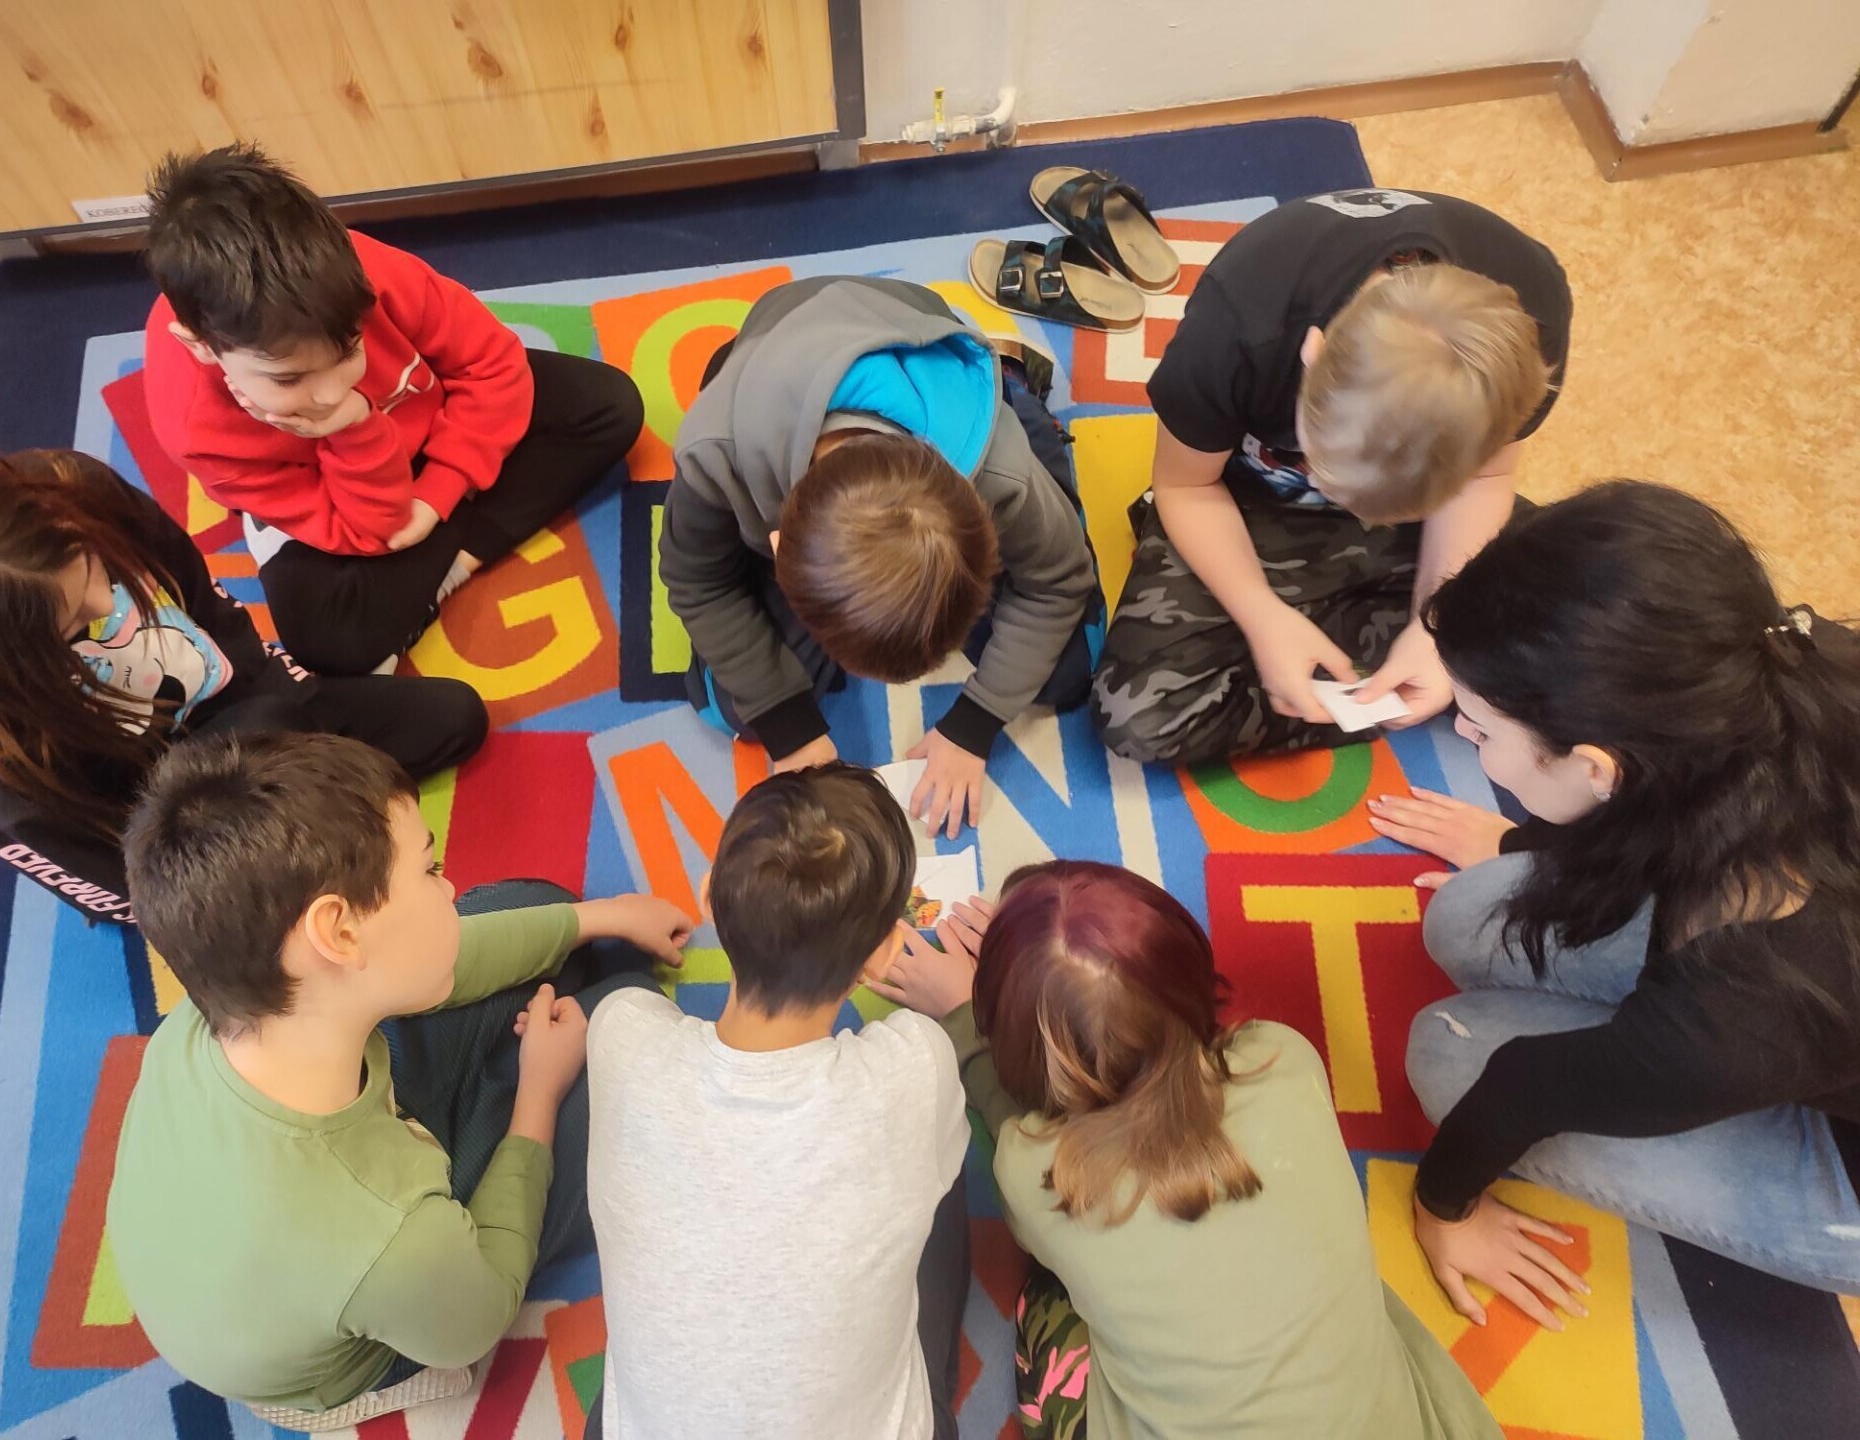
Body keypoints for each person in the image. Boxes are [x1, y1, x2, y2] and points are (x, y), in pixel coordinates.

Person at [1364, 480, 1860, 1316]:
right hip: (1795, 1013)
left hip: (1835, 1148)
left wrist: (1444, 1209)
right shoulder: (1781, 670)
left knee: (1450, 1055)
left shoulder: (1743, 1009)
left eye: (1480, 729)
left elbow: (1525, 1087)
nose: (1466, 736)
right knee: (1465, 917)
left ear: (1599, 769)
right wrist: (1517, 842)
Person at [106, 731, 692, 1428]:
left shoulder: (219, 1007)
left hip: (301, 1210)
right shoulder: (390, 1239)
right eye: (430, 869)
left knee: (550, 917)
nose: (449, 886)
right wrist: (540, 1090)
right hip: (374, 1292)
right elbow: (482, 1310)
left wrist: (599, 917)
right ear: (339, 933)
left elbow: (433, 961)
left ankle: (502, 1064)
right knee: (631, 1024)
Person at [872, 859, 1503, 1440]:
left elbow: (1026, 1129)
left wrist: (967, 1017)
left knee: (1050, 1296)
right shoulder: (1284, 1056)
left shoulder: (1037, 1171)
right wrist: (1041, 982)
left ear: (1024, 1056)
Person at [1092, 188, 1571, 765]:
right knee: (1140, 717)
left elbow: (1485, 483)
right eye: (1321, 466)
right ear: (1312, 352)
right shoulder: (1241, 320)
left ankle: (1373, 633)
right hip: (1254, 504)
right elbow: (1186, 486)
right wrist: (1261, 614)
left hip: (1437, 522)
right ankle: (1370, 638)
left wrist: (1435, 624)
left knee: (1599, 621)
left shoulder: (1526, 329)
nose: (1359, 517)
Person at [140, 142, 644, 677]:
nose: (331, 392)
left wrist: (440, 490)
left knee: (609, 406)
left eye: (349, 350)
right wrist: (353, 427)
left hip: (432, 429)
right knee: (328, 643)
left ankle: (448, 567)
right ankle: (458, 534)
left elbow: (492, 361)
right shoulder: (195, 428)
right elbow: (368, 531)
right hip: (341, 497)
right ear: (201, 346)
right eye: (288, 378)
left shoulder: (361, 270)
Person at [585, 762, 971, 1439]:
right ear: (883, 954)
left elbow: (631, 1011)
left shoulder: (619, 1034)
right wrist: (968, 1005)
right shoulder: (918, 1066)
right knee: (937, 1166)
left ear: (708, 895)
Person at [0, 448, 487, 923]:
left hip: (245, 711)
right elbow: (131, 886)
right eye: (74, 625)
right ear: (1, 662)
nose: (108, 604)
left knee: (453, 719)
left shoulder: (71, 487)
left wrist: (283, 707)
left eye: (93, 567)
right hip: (169, 827)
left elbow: (203, 599)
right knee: (350, 888)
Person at [660, 275, 1101, 839]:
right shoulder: (712, 456)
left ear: (982, 534)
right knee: (735, 711)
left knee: (1069, 672)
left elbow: (1057, 582)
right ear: (777, 546)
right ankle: (730, 361)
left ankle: (1016, 396)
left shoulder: (998, 474)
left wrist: (975, 723)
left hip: (939, 372)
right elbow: (697, 582)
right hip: (763, 375)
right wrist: (789, 727)